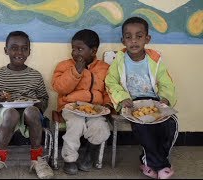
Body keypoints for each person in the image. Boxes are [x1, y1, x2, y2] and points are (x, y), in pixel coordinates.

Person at [105, 16, 178, 179]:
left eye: (139, 36)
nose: (134, 41)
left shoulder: (155, 60)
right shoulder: (119, 61)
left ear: (147, 39)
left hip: (154, 102)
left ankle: (149, 161)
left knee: (171, 124)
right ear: (122, 40)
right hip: (132, 104)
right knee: (144, 128)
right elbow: (111, 82)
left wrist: (165, 99)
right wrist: (123, 98)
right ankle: (161, 166)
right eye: (128, 37)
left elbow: (167, 82)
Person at [0, 31, 54, 179]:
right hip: (6, 112)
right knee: (11, 113)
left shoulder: (35, 75)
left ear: (29, 51)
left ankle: (37, 159)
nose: (19, 52)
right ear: (6, 50)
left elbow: (44, 98)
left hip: (30, 112)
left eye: (24, 48)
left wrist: (39, 104)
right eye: (14, 48)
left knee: (32, 111)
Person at [51, 29, 112, 175]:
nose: (75, 53)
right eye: (73, 49)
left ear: (93, 51)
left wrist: (108, 105)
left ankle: (89, 154)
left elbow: (109, 90)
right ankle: (69, 159)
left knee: (101, 128)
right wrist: (75, 72)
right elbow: (59, 87)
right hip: (70, 107)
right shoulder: (64, 66)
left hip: (94, 108)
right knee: (76, 125)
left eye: (80, 49)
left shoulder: (104, 68)